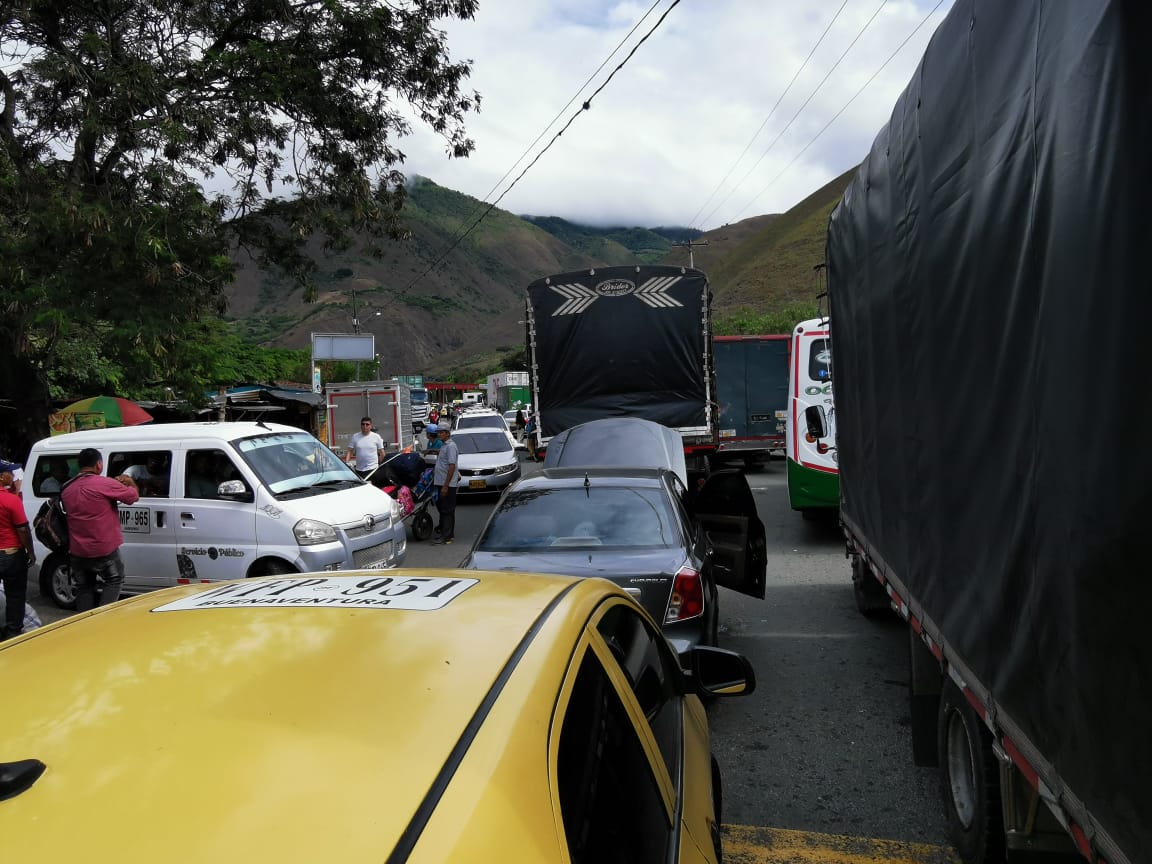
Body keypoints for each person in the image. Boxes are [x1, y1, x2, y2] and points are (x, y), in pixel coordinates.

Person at [62, 447, 141, 611]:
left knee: (84, 587)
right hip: (103, 548)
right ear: (99, 464)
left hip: (78, 550)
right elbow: (133, 496)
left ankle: (85, 621)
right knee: (114, 580)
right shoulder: (105, 483)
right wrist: (130, 482)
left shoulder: (67, 487)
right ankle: (104, 617)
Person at [0, 470, 35, 640]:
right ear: (1, 477)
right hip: (11, 554)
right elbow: (22, 529)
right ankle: (13, 633)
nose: (13, 477)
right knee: (15, 596)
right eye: (9, 474)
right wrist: (30, 552)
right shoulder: (11, 500)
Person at [430, 425, 459, 545]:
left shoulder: (451, 446)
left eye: (442, 432)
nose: (439, 434)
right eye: (438, 432)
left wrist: (446, 486)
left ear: (447, 433)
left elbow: (452, 466)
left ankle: (446, 536)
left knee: (447, 510)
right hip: (441, 482)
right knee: (444, 509)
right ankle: (447, 534)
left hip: (447, 484)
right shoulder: (444, 445)